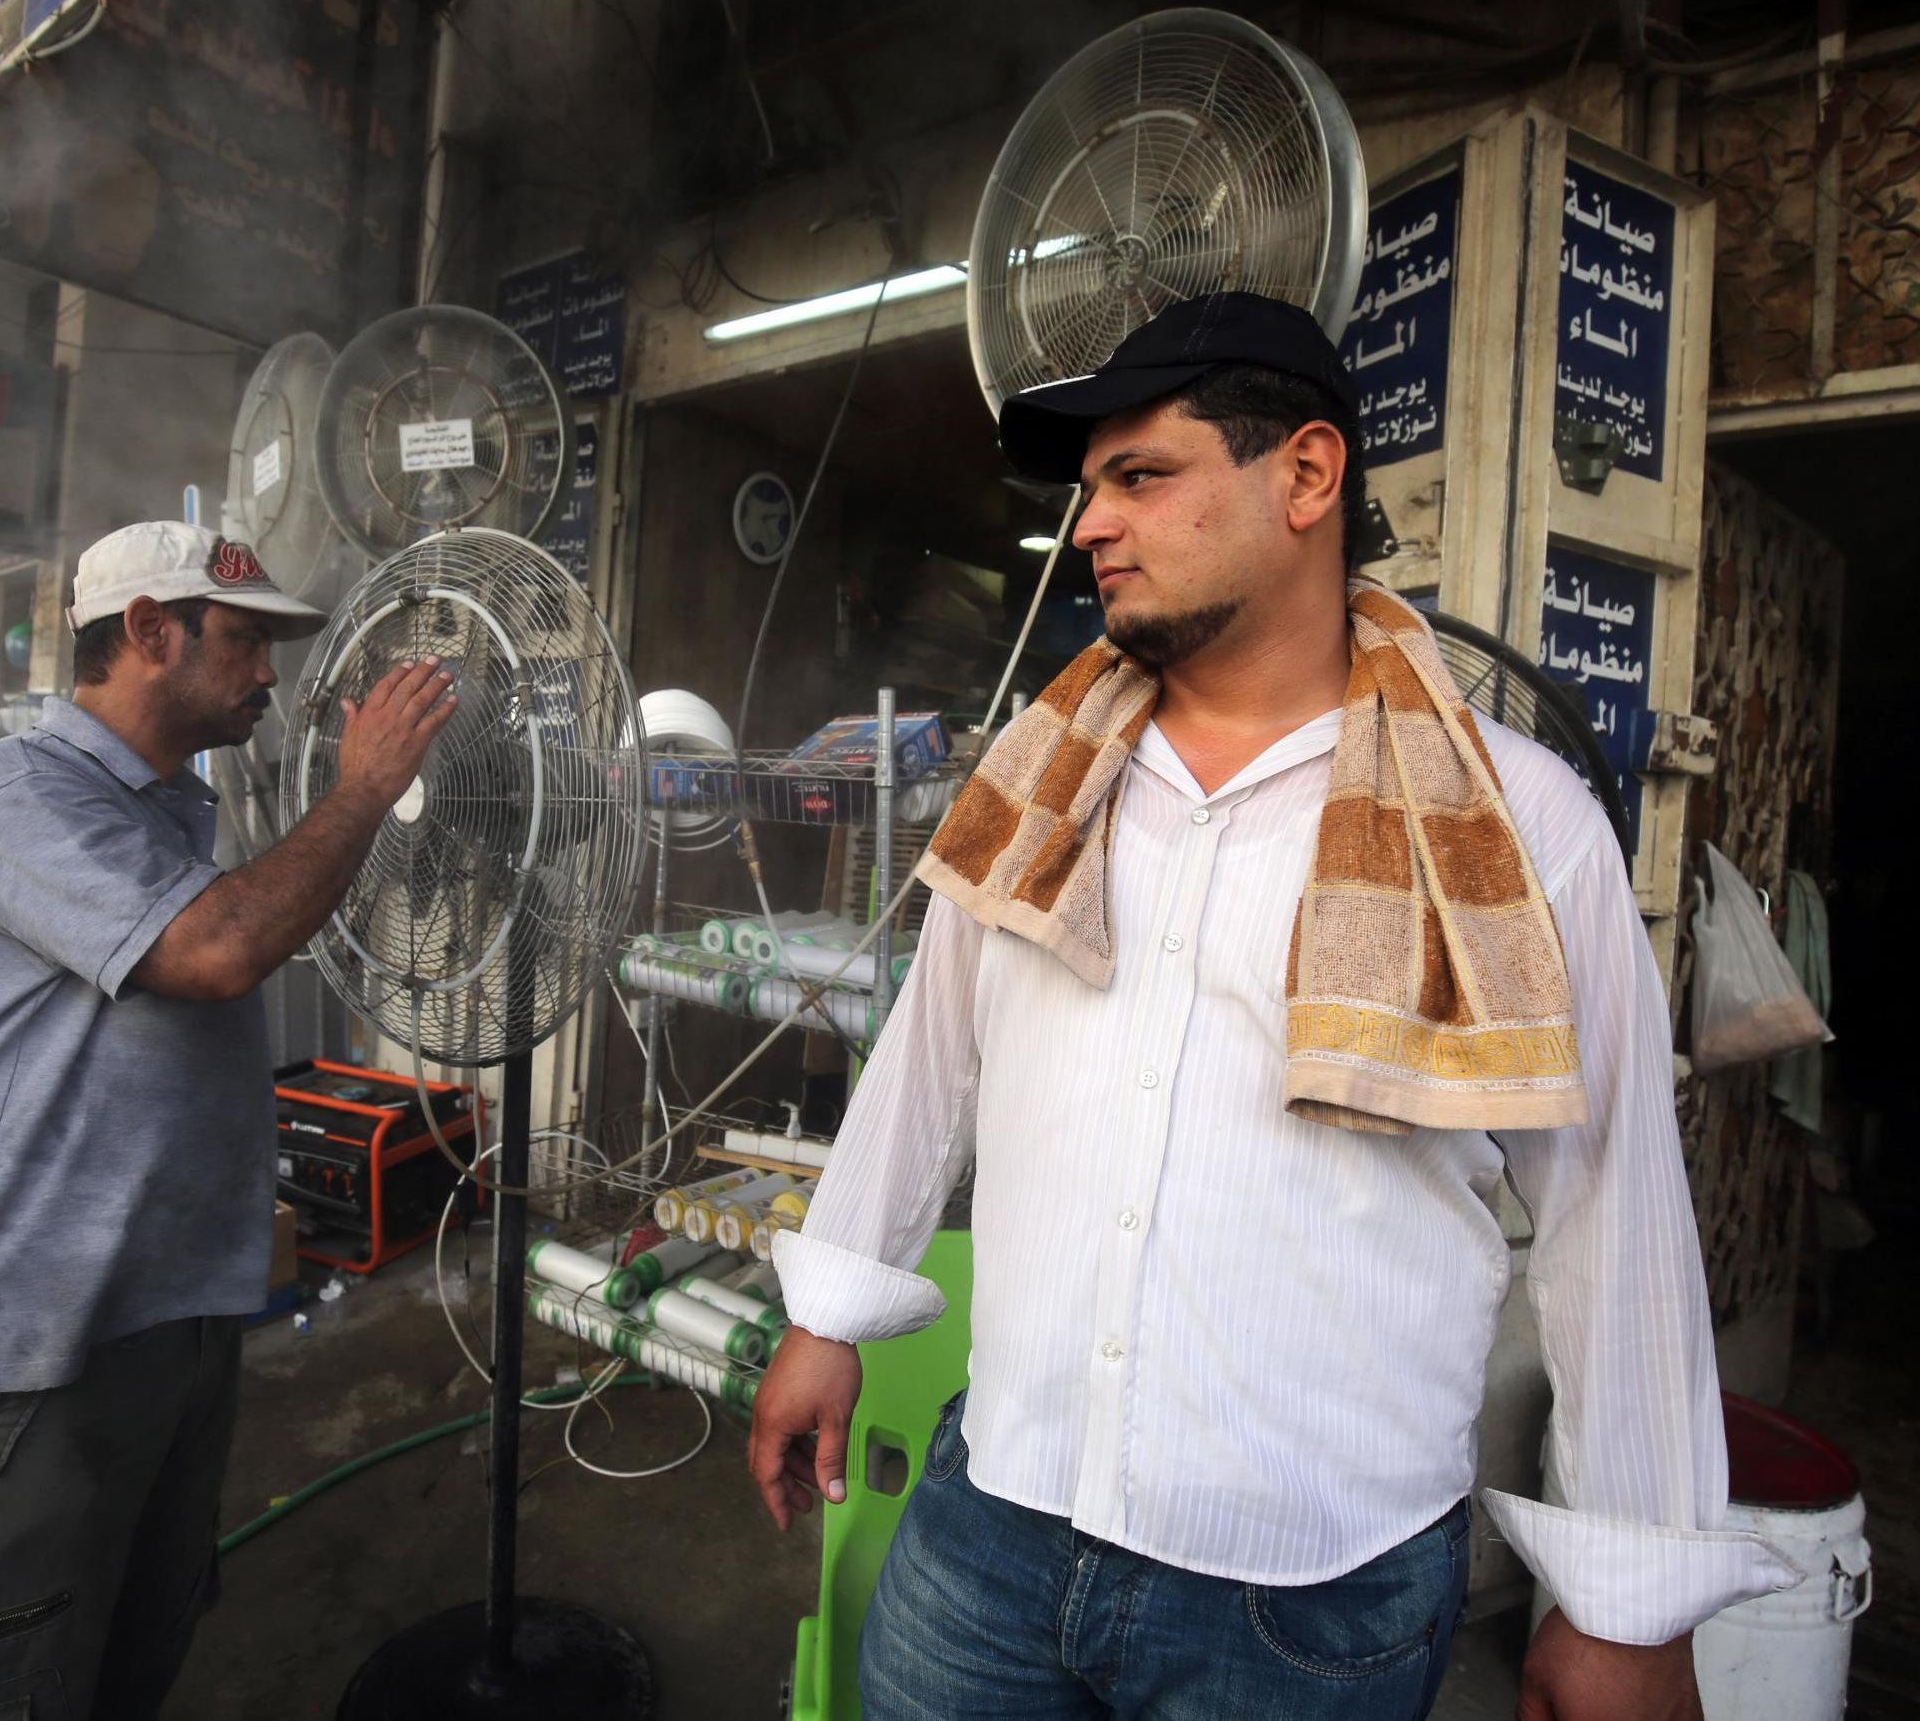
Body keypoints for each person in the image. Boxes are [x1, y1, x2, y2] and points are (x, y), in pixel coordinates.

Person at [746, 294, 1794, 1721]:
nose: (1093, 524)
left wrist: (1625, 1601)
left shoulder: (1508, 823)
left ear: (1306, 476)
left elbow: (1612, 1209)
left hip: (1307, 1598)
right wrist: (834, 1311)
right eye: (1088, 488)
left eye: (1141, 475)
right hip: (994, 1520)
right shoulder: (1040, 781)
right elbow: (930, 1057)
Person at [0, 521, 457, 1718]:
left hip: (164, 1332)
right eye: (242, 640)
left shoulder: (173, 809)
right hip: (22, 1347)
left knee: (132, 1649)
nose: (269, 674)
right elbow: (217, 948)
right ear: (144, 633)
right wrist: (365, 790)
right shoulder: (8, 795)